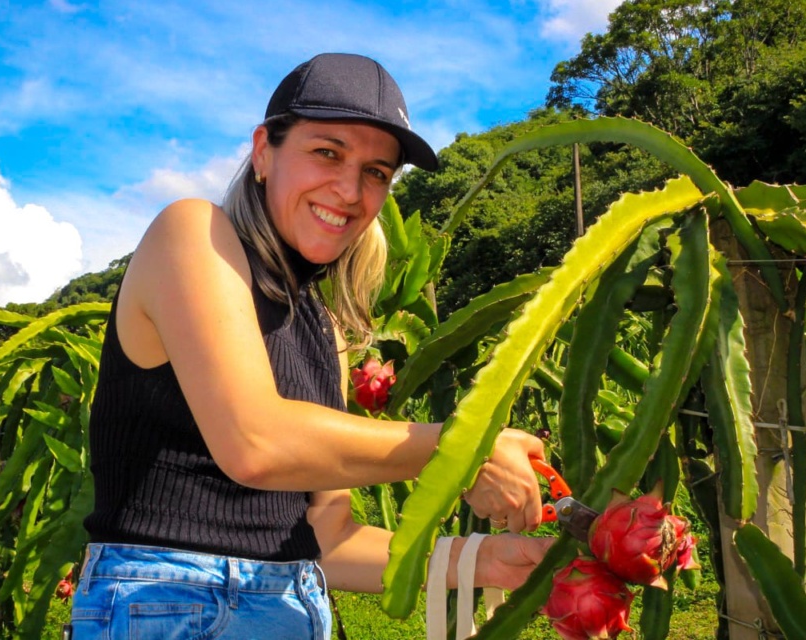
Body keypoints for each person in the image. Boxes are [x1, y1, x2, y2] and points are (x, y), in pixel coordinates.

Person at [68, 53, 551, 640]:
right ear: (264, 151)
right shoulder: (191, 233)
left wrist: (475, 561)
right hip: (172, 601)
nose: (350, 190)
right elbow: (255, 442)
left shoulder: (326, 330)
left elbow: (330, 536)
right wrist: (462, 447)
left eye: (377, 172)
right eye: (327, 152)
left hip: (295, 604)